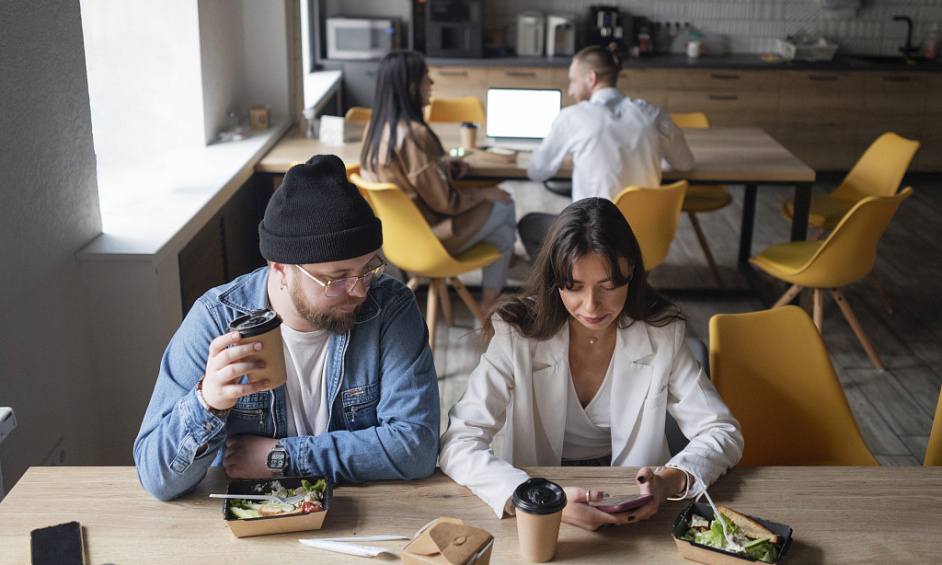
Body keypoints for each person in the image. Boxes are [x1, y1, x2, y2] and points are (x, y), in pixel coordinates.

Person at [134, 154, 440, 501]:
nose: (359, 291)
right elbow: (157, 479)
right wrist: (209, 402)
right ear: (280, 269)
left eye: (368, 269)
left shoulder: (390, 308)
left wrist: (282, 458)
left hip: (360, 511)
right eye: (337, 278)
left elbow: (417, 447)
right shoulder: (216, 320)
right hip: (251, 517)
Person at [438, 198, 742, 531]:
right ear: (555, 280)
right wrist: (540, 499)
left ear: (631, 271)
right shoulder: (516, 334)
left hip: (635, 505)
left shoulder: (662, 334)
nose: (591, 306)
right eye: (574, 287)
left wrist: (669, 481)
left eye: (608, 286)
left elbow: (721, 431)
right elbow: (459, 442)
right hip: (538, 499)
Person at [359, 50, 516, 311]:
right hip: (432, 239)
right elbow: (446, 203)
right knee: (505, 203)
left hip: (399, 240)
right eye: (426, 77)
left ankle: (495, 291)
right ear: (411, 86)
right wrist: (484, 193)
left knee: (503, 236)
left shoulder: (374, 130)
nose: (431, 83)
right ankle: (491, 304)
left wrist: (442, 167)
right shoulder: (415, 135)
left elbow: (411, 177)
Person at [518, 45, 694, 260]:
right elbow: (685, 164)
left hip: (593, 241)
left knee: (528, 224)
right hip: (644, 240)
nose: (571, 91)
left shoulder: (573, 117)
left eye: (573, 81)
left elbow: (536, 171)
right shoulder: (655, 115)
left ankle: (564, 278)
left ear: (591, 78)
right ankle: (629, 277)